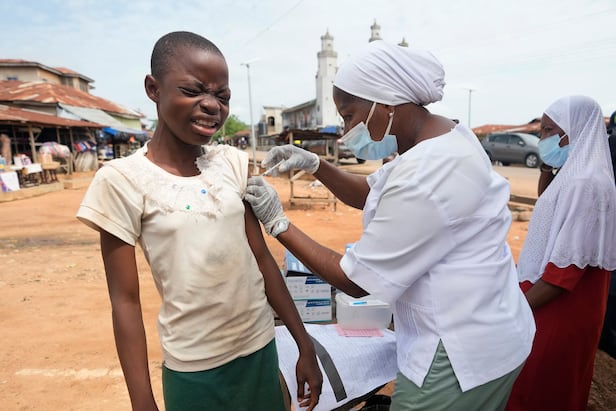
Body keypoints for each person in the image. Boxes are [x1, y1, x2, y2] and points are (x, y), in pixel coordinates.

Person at [245, 40, 535, 410]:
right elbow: (371, 192)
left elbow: (357, 280)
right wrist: (316, 164)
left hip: (460, 350)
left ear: (385, 104)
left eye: (349, 115)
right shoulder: (442, 136)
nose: (346, 130)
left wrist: (278, 223)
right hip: (494, 322)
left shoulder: (427, 173)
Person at [76, 31, 322, 411]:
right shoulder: (122, 180)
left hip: (259, 348)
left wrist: (303, 344)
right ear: (153, 88)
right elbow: (124, 302)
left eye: (222, 97)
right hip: (195, 369)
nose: (211, 105)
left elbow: (261, 260)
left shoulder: (230, 164)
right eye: (192, 91)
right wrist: (142, 401)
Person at [505, 96, 616, 411]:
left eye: (548, 131)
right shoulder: (574, 175)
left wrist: (515, 308)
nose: (542, 139)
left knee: (540, 387)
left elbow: (565, 272)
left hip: (559, 307)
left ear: (574, 131)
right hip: (550, 297)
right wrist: (546, 166)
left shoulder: (586, 183)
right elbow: (551, 205)